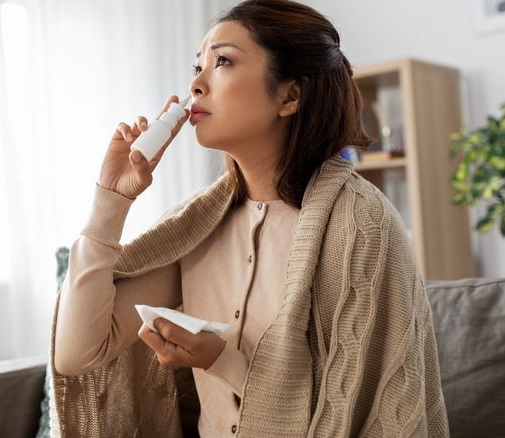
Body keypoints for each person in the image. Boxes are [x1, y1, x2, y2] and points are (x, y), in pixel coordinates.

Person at [50, 0, 448, 436]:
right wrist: (110, 201)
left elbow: (352, 410)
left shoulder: (362, 225)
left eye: (222, 61)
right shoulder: (197, 226)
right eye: (196, 66)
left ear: (290, 95)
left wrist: (220, 360)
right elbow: (77, 354)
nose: (196, 84)